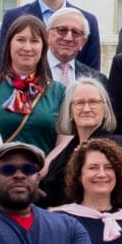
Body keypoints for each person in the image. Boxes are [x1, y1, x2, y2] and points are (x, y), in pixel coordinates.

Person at [0, 15, 63, 153]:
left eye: (34, 41)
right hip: (0, 172)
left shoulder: (59, 92)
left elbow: (63, 144)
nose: (27, 47)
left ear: (43, 47)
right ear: (9, 44)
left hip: (45, 172)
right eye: (20, 40)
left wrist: (42, 172)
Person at [36, 79, 117, 207]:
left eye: (93, 102)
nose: (86, 109)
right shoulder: (67, 150)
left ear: (105, 110)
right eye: (79, 103)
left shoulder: (116, 147)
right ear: (70, 112)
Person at [43, 7, 99, 92]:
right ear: (48, 35)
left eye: (76, 32)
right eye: (62, 30)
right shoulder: (30, 71)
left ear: (83, 42)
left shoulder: (96, 79)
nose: (68, 38)